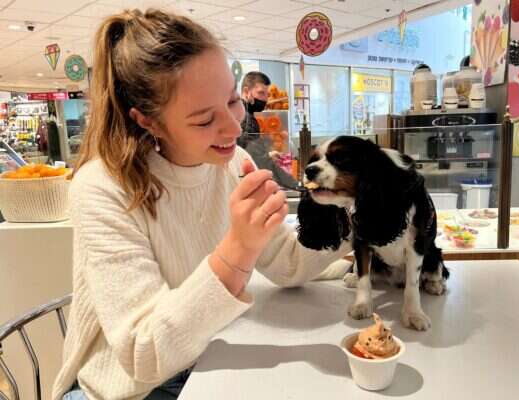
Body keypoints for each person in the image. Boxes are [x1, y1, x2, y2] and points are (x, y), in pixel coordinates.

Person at [53, 9, 350, 400]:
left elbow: (288, 262)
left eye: (232, 100)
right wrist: (238, 249)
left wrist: (361, 218)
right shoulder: (102, 187)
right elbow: (145, 354)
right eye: (204, 120)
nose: (233, 127)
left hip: (206, 358)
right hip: (127, 390)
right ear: (148, 121)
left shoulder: (232, 163)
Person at [237, 72, 299, 188]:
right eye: (261, 93)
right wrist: (294, 185)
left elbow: (248, 153)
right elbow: (255, 161)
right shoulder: (245, 119)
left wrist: (267, 155)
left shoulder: (244, 115)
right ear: (246, 91)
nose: (265, 99)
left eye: (267, 94)